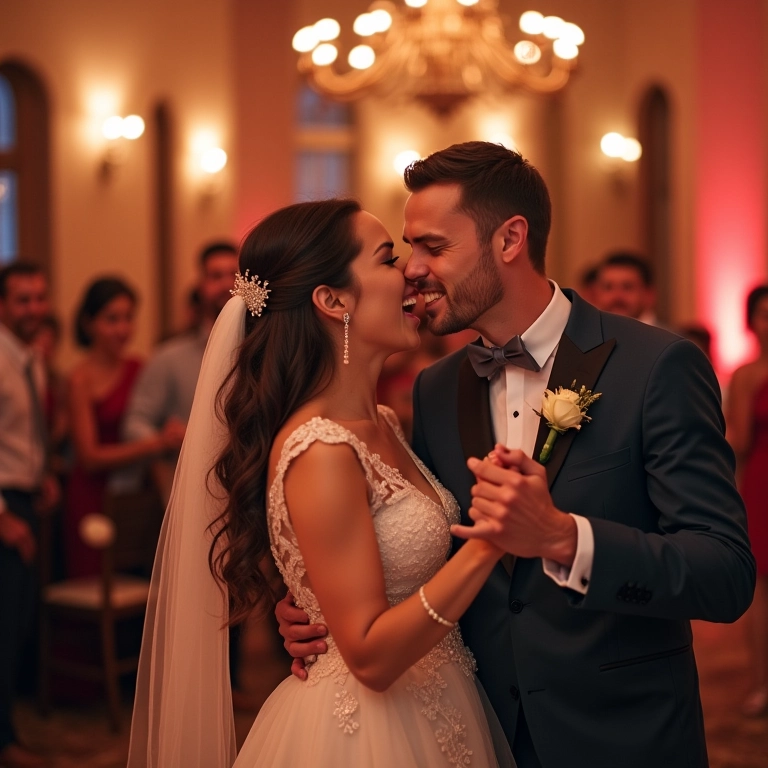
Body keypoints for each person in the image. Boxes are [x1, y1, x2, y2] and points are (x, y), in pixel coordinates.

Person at [278, 143, 755, 767]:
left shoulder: (655, 366)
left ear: (509, 240)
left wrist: (565, 539)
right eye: (406, 248)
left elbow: (724, 574)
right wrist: (320, 605)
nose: (412, 270)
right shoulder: (437, 387)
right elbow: (425, 541)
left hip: (620, 736)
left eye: (433, 247)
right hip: (477, 730)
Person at [127, 199, 515, 767]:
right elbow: (370, 657)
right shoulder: (323, 448)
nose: (409, 271)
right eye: (387, 259)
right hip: (367, 730)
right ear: (333, 300)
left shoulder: (382, 423)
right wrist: (490, 542)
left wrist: (311, 602)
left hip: (444, 701)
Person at [64, 277, 183, 578]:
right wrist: (155, 442)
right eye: (111, 319)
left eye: (128, 318)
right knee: (96, 584)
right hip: (93, 496)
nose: (122, 329)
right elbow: (89, 457)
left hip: (134, 494)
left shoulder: (139, 368)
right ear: (89, 323)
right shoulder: (80, 380)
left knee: (139, 581)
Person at [122, 241, 239, 505]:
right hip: (190, 493)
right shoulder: (169, 357)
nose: (225, 285)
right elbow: (135, 423)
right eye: (215, 276)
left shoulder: (264, 350)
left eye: (234, 274)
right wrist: (164, 439)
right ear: (200, 286)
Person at [0, 262, 58, 768]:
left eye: (39, 298)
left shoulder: (31, 359)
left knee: (18, 623)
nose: (34, 309)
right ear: (2, 304)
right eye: (22, 299)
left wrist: (46, 475)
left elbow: (26, 434)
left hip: (27, 496)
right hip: (3, 505)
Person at [726, 284, 768, 716]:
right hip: (762, 480)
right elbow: (738, 439)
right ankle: (762, 682)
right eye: (763, 313)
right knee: (763, 586)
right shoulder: (746, 375)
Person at [593, 251, 661, 324]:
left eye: (627, 287)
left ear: (649, 294)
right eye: (608, 287)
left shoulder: (668, 335)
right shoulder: (585, 333)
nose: (617, 296)